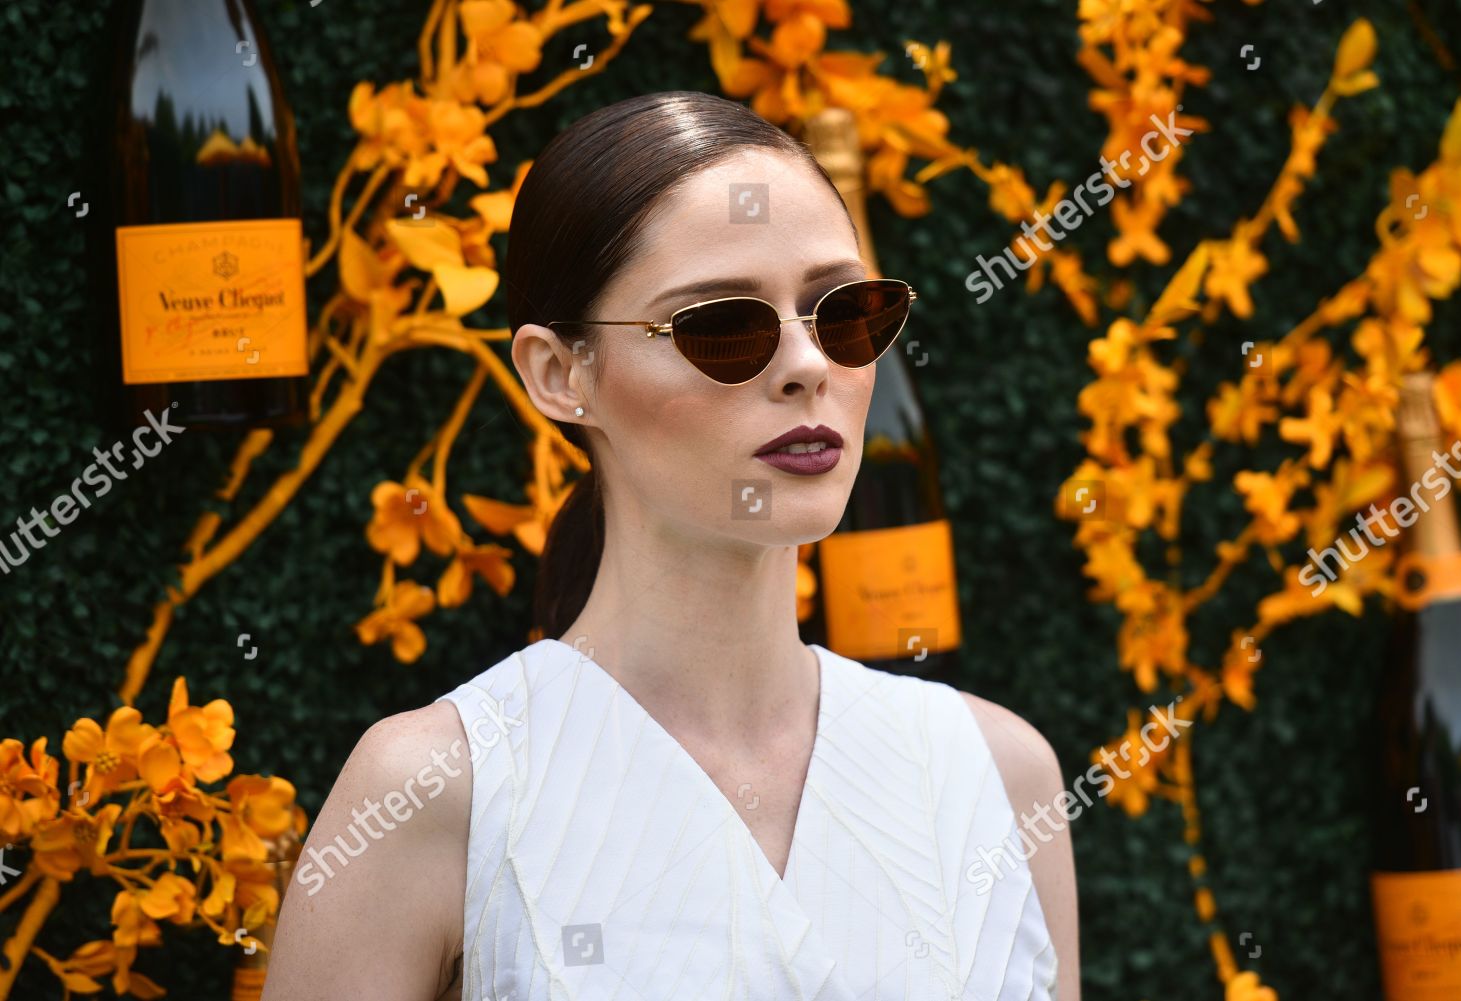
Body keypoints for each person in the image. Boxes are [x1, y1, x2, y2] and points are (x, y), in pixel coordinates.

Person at [264, 90, 1078, 1001]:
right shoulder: (430, 792)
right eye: (723, 326)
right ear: (560, 373)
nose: (810, 364)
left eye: (844, 311)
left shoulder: (997, 774)